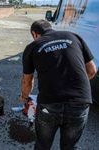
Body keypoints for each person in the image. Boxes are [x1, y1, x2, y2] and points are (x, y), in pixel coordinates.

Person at [19, 19, 97, 150]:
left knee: (42, 145)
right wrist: (76, 87)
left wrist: (25, 97)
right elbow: (92, 70)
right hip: (79, 103)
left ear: (34, 34)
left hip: (49, 104)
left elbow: (27, 81)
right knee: (69, 147)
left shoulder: (33, 46)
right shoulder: (73, 37)